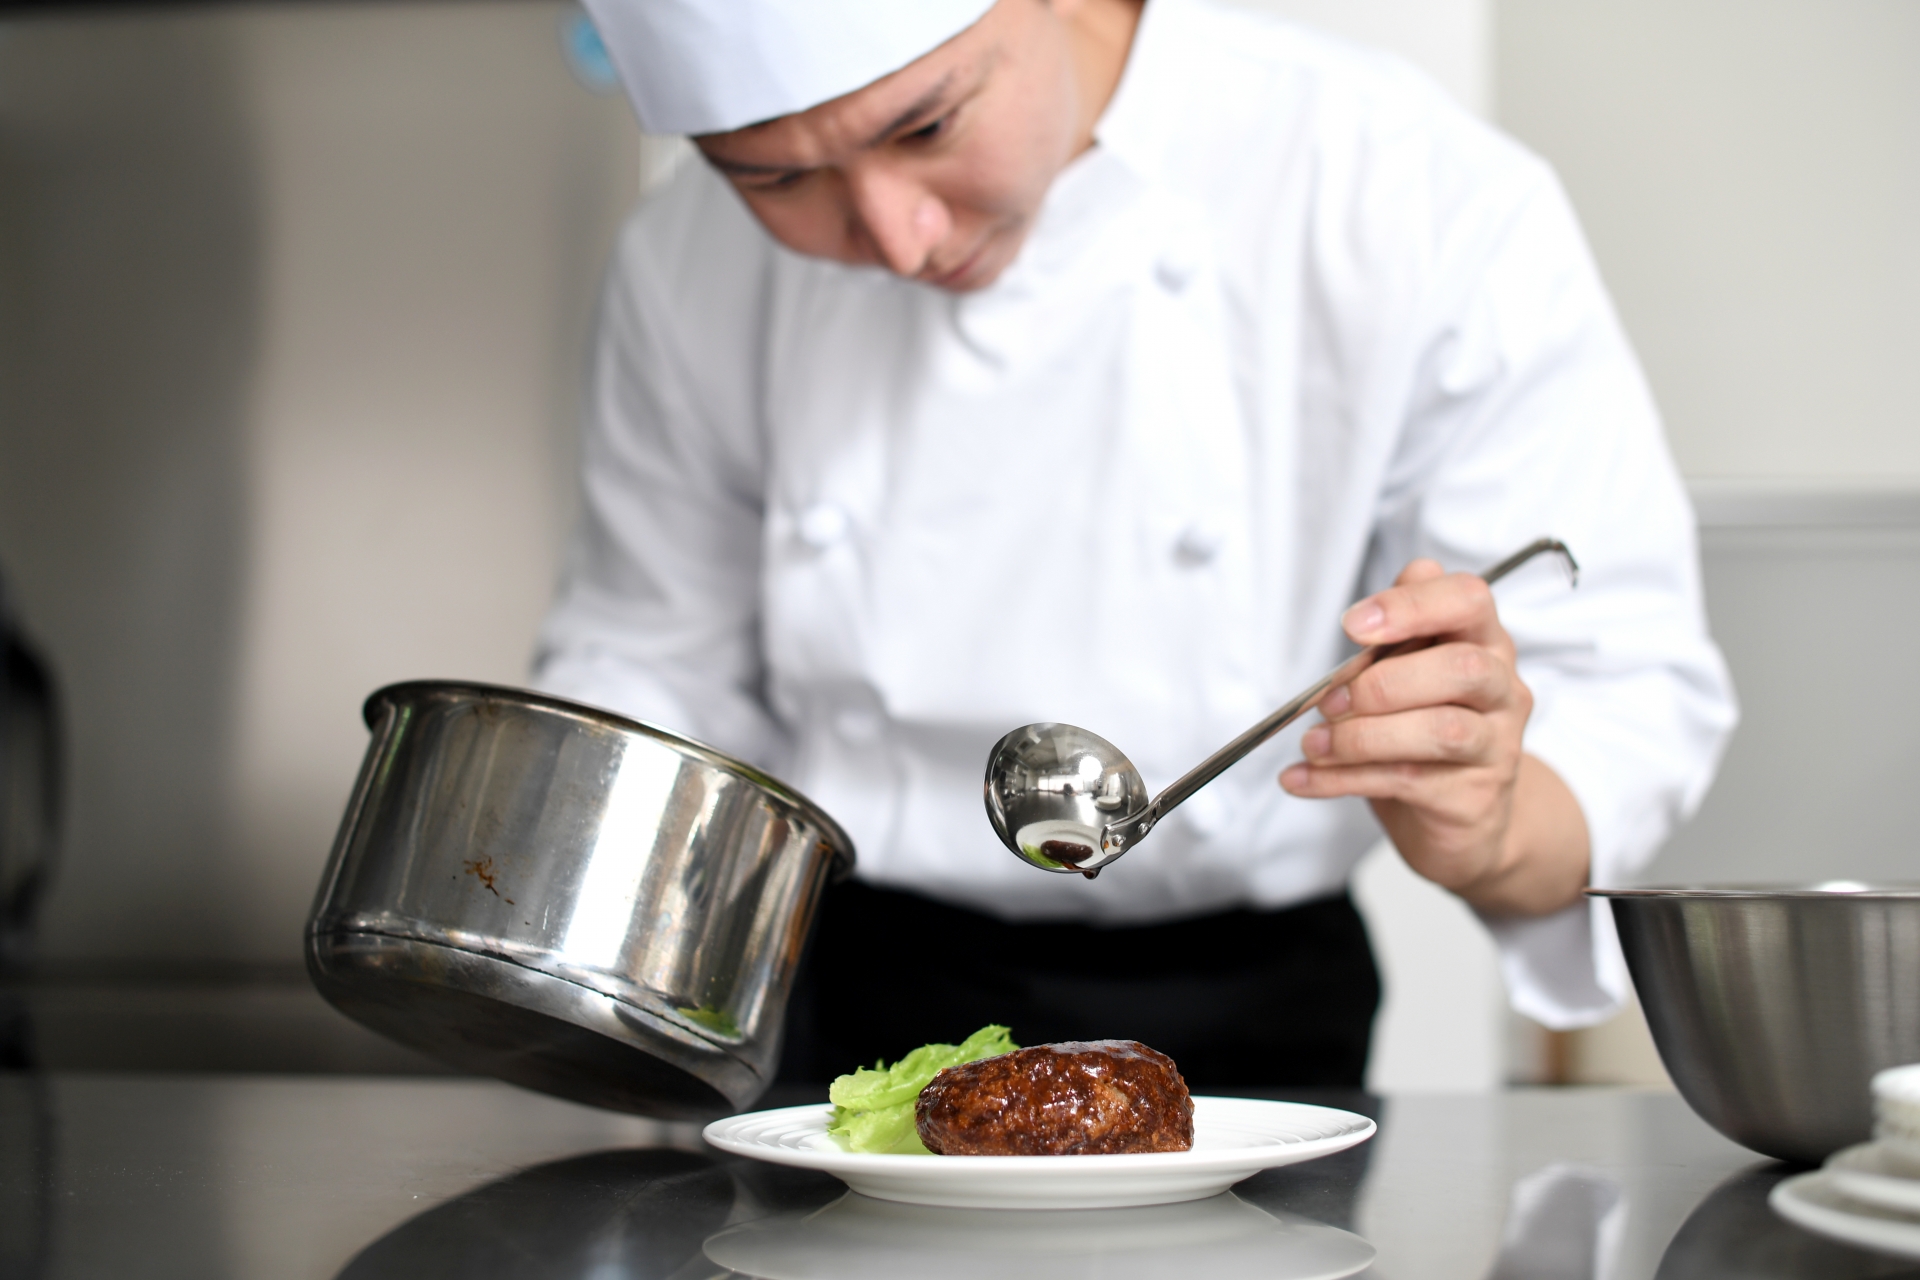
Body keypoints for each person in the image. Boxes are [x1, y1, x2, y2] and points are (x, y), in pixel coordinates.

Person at [534, 0, 1736, 1087]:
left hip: (1252, 1029)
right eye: (775, 177)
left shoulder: (1404, 187)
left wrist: (1492, 819)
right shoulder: (681, 259)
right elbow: (652, 657)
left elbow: (1616, 694)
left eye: (928, 125)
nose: (899, 237)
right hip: (845, 1012)